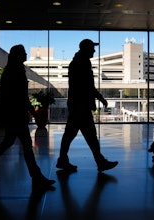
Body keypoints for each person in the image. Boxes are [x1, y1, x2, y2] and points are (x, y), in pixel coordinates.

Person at [0, 44, 55, 190]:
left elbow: (14, 95)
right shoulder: (15, 71)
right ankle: (37, 176)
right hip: (16, 115)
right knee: (26, 146)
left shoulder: (13, 70)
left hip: (14, 115)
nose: (26, 54)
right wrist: (32, 112)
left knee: (10, 143)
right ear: (18, 55)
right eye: (24, 52)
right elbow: (20, 96)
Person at [56, 39, 118, 172]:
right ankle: (100, 162)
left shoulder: (78, 62)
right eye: (92, 48)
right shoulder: (82, 63)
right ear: (86, 48)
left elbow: (85, 86)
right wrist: (99, 98)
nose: (94, 51)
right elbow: (87, 86)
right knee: (88, 135)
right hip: (81, 106)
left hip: (77, 105)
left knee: (72, 135)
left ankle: (63, 160)